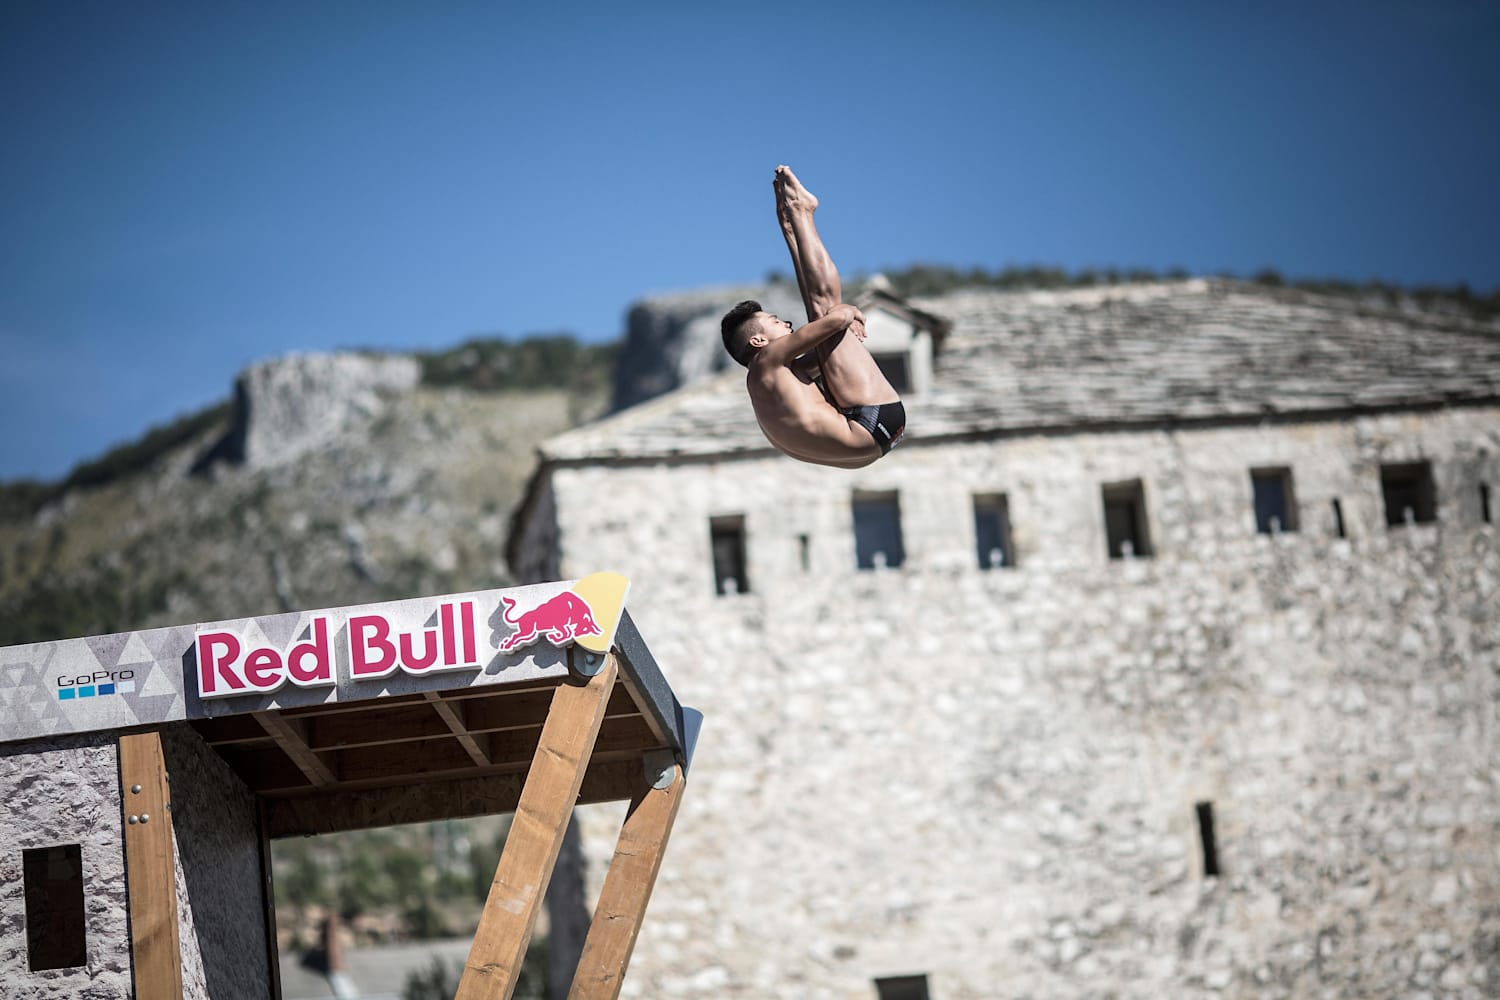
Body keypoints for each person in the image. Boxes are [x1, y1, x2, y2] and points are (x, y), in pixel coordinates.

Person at [720, 166, 905, 469]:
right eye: (775, 320)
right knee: (825, 307)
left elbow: (823, 352)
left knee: (823, 321)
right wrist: (850, 313)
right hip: (869, 421)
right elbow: (833, 319)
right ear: (758, 340)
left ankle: (793, 223)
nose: (787, 324)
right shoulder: (766, 360)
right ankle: (802, 211)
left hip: (870, 444)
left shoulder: (770, 382)